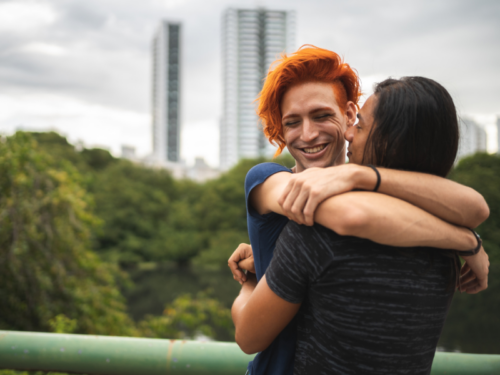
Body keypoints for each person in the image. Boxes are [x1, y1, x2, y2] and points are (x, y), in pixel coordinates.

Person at [228, 46, 489, 375]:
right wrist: (464, 240)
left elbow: (476, 206)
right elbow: (347, 214)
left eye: (322, 115)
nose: (308, 134)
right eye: (292, 122)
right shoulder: (268, 179)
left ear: (350, 114)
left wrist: (358, 173)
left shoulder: (342, 221)